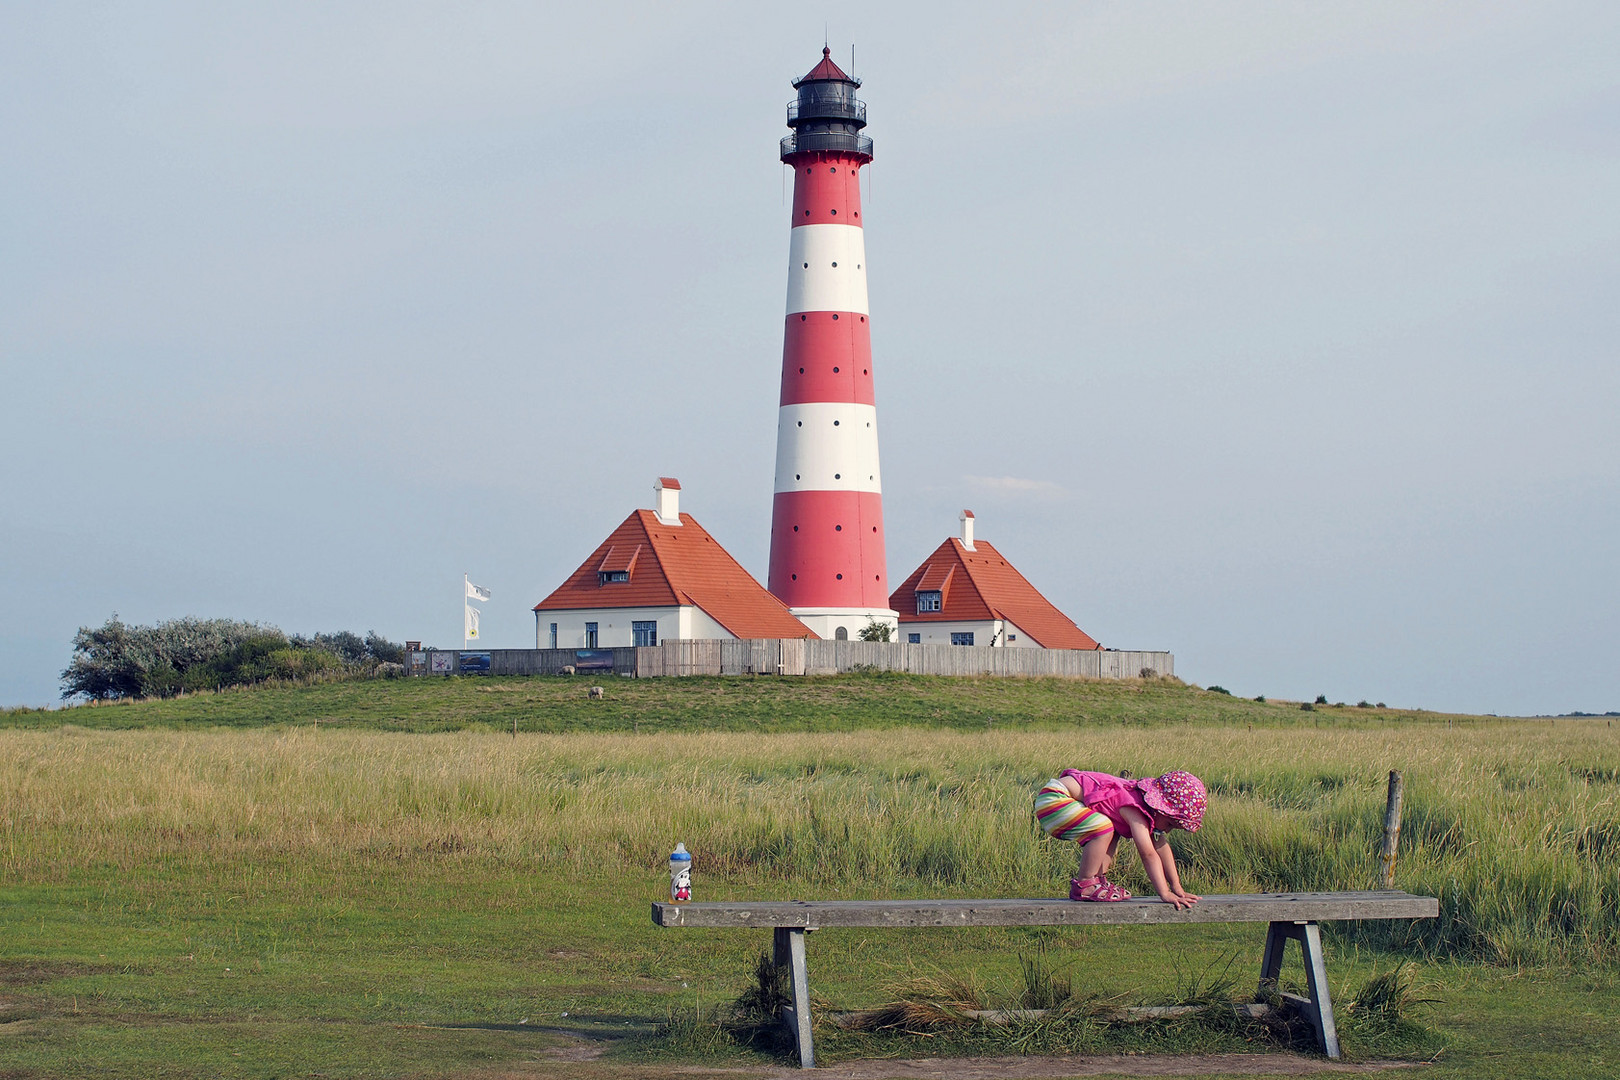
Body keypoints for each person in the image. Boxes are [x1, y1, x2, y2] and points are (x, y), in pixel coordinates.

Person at [1033, 769, 1206, 908]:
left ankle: (1098, 882)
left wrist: (1177, 887)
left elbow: (1162, 848)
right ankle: (1085, 884)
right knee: (1103, 828)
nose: (1167, 831)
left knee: (1110, 828)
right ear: (1160, 809)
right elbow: (1148, 854)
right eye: (1169, 824)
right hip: (1053, 799)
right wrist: (1165, 893)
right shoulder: (1134, 808)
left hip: (1058, 799)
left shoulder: (1149, 812)